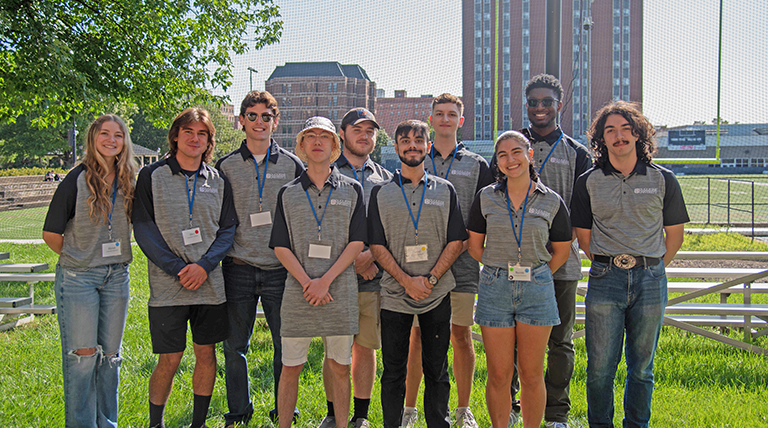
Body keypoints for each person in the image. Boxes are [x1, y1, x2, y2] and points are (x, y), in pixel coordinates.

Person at [571, 101, 688, 428]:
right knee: (599, 371)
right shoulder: (588, 181)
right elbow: (584, 238)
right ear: (601, 139)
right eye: (610, 130)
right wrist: (613, 263)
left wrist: (650, 266)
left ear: (638, 134)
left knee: (641, 369)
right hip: (604, 279)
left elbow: (675, 236)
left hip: (650, 280)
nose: (618, 136)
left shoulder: (663, 179)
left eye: (625, 128)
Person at [133, 108, 238, 428]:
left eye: (202, 133)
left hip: (208, 285)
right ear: (176, 135)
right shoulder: (152, 176)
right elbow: (143, 227)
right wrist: (179, 268)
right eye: (189, 132)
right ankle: (155, 423)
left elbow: (228, 229)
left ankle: (198, 423)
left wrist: (204, 266)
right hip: (168, 287)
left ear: (209, 141)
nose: (195, 138)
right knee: (170, 359)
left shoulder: (218, 179)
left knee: (206, 354)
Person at [498, 74, 591, 428]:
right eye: (533, 102)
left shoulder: (577, 153)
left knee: (559, 342)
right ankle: (509, 405)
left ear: (559, 106)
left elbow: (583, 211)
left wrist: (563, 250)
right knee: (512, 341)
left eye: (546, 102)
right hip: (515, 264)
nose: (540, 108)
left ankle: (556, 413)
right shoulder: (511, 146)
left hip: (560, 266)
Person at [467, 130, 572, 428]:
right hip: (495, 288)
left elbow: (562, 250)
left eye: (516, 152)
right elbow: (475, 246)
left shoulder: (551, 201)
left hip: (537, 289)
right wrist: (499, 270)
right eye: (502, 155)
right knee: (499, 374)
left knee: (530, 373)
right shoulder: (486, 198)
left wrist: (538, 275)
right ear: (497, 162)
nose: (510, 160)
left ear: (530, 155)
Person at [368, 120, 467, 428]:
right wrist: (406, 280)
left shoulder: (445, 190)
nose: (412, 145)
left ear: (428, 144)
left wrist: (431, 279)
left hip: (437, 293)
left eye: (418, 140)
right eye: (405, 140)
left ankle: (439, 423)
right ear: (396, 147)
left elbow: (457, 241)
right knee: (393, 370)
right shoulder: (381, 193)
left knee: (436, 369)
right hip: (395, 296)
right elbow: (376, 244)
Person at [269, 116, 366, 428]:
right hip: (299, 293)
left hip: (339, 290)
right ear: (301, 146)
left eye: (324, 136)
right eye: (309, 136)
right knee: (290, 368)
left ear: (335, 146)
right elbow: (281, 245)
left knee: (340, 366)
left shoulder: (353, 190)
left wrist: (325, 281)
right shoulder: (287, 192)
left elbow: (357, 242)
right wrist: (308, 282)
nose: (317, 142)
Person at [216, 90, 304, 428]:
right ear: (241, 121)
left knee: (286, 346)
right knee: (235, 346)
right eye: (251, 116)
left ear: (275, 122)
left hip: (280, 271)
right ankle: (238, 412)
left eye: (266, 117)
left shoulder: (292, 165)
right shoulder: (225, 166)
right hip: (238, 267)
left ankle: (284, 410)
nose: (259, 122)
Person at [404, 93, 493, 428]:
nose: (445, 119)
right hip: (420, 265)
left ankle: (462, 409)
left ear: (461, 119)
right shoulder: (415, 159)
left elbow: (484, 215)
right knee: (416, 338)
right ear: (431, 119)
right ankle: (409, 409)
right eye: (439, 114)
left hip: (463, 265)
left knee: (460, 335)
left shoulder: (476, 164)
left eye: (451, 114)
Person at [43, 114, 137, 428]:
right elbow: (51, 233)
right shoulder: (76, 179)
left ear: (125, 141)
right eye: (105, 134)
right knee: (83, 359)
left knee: (110, 358)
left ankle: (106, 423)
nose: (112, 140)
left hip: (116, 277)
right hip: (79, 278)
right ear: (93, 138)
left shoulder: (129, 179)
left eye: (118, 135)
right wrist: (81, 258)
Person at [320, 108, 392, 428]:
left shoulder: (387, 178)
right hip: (336, 277)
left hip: (373, 275)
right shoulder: (325, 174)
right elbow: (318, 225)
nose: (364, 135)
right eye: (357, 129)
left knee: (365, 346)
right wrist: (351, 262)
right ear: (343, 133)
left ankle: (360, 416)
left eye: (370, 131)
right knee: (335, 350)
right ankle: (331, 414)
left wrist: (371, 258)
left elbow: (393, 227)